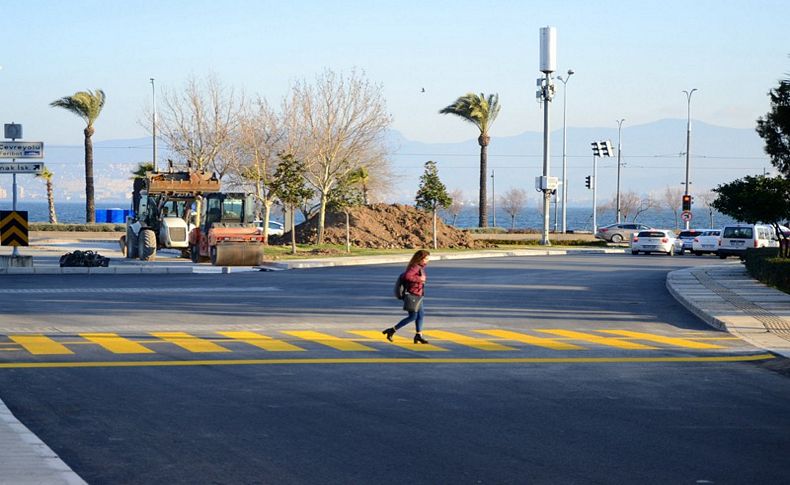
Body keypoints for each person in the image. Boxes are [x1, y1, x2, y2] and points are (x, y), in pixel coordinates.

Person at [382, 249, 431, 344]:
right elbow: (407, 276)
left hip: (418, 294)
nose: (427, 261)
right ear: (420, 259)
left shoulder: (419, 267)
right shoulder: (415, 267)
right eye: (426, 259)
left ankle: (418, 335)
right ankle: (392, 330)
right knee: (413, 316)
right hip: (413, 295)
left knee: (420, 315)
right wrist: (419, 279)